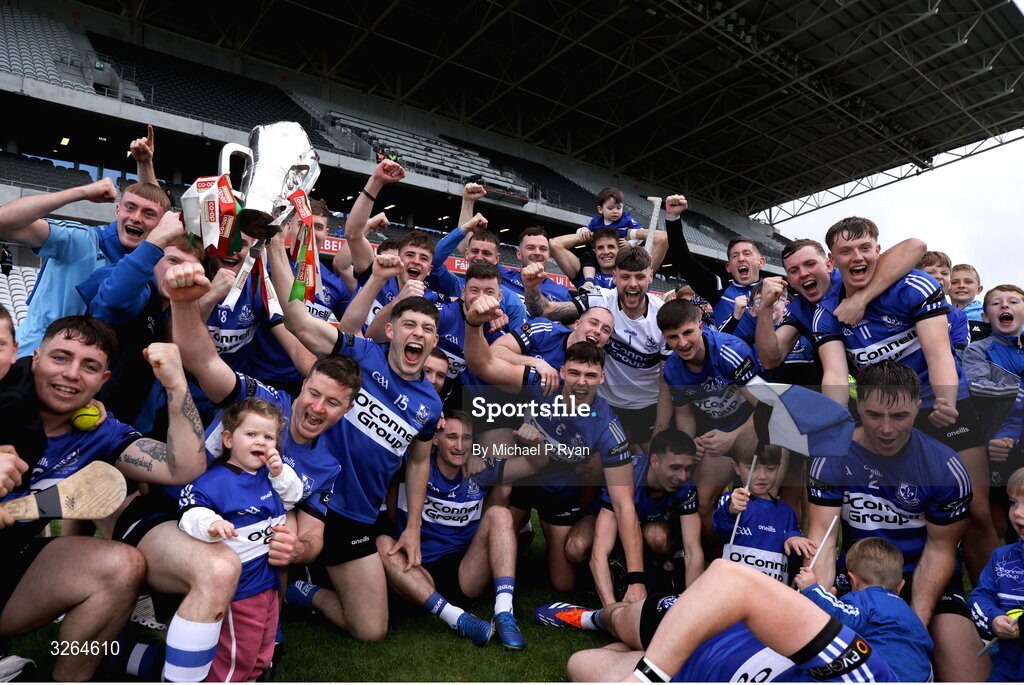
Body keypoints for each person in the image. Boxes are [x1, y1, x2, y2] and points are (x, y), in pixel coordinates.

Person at [163, 258, 364, 645]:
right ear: (302, 386)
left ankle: (269, 624)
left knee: (285, 524)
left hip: (249, 542)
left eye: (333, 403)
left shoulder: (328, 463)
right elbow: (204, 360)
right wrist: (184, 304)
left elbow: (314, 538)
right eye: (315, 394)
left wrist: (296, 549)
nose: (318, 408)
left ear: (348, 410)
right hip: (184, 510)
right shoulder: (267, 403)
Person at [0, 317, 205, 681]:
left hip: (9, 572)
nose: (72, 373)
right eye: (60, 358)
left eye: (89, 366)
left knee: (123, 566)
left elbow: (183, 468)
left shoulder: (101, 433)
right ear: (34, 358)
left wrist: (176, 386)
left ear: (103, 380)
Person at [267, 243, 443, 643]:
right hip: (303, 494)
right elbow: (297, 319)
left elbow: (418, 464)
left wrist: (412, 526)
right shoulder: (361, 353)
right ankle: (271, 607)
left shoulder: (431, 404)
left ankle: (303, 590)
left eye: (428, 329)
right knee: (274, 558)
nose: (419, 334)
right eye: (410, 325)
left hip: (357, 516)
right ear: (392, 330)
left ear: (435, 341)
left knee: (372, 631)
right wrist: (276, 246)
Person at [812, 216, 996, 584]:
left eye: (865, 248)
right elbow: (834, 374)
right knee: (887, 501)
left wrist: (947, 401)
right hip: (886, 414)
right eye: (846, 251)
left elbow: (939, 353)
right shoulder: (826, 313)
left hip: (941, 403)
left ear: (879, 251)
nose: (857, 256)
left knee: (976, 510)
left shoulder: (914, 285)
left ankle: (992, 600)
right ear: (832, 261)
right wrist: (830, 428)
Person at [806, 359, 986, 681]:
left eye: (899, 415)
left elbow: (940, 549)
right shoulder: (829, 457)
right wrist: (819, 606)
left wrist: (913, 622)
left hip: (923, 579)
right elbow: (824, 537)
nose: (886, 428)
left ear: (917, 408)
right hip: (859, 580)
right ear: (857, 404)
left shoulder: (945, 469)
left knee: (967, 676)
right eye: (874, 414)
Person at [463, 296, 642, 601]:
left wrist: (637, 579)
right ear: (562, 371)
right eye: (574, 374)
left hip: (559, 489)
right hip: (525, 471)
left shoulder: (607, 425)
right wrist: (473, 324)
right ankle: (473, 545)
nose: (580, 383)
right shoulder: (542, 381)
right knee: (498, 472)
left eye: (589, 376)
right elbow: (483, 362)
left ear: (602, 377)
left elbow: (624, 505)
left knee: (562, 584)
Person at [556, 559, 896, 682]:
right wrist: (647, 678)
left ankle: (635, 654)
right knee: (620, 618)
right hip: (710, 622)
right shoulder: (864, 677)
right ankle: (592, 618)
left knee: (580, 663)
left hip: (690, 675)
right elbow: (733, 580)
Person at [378, 409, 543, 649]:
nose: (460, 446)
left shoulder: (479, 469)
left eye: (466, 438)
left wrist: (536, 444)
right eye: (452, 437)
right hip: (418, 569)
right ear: (435, 439)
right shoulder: (412, 466)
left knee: (500, 514)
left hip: (465, 572)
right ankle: (458, 619)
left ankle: (504, 613)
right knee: (382, 543)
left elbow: (534, 464)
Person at [177, 399, 303, 682]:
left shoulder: (270, 477)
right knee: (236, 655)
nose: (261, 441)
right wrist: (211, 523)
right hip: (241, 588)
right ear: (228, 439)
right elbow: (190, 510)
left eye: (268, 437)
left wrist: (279, 471)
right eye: (252, 434)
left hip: (270, 583)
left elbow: (294, 496)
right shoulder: (215, 480)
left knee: (263, 649)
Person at [525, 246, 669, 451]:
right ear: (614, 277)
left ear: (651, 277)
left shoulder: (662, 317)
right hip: (604, 402)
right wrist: (531, 286)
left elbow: (667, 379)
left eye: (640, 277)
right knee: (591, 466)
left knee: (655, 465)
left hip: (646, 405)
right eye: (626, 277)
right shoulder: (600, 300)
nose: (633, 284)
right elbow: (546, 311)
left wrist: (660, 430)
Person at [655, 298, 759, 544]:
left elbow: (767, 407)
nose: (682, 343)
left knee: (762, 502)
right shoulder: (671, 370)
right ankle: (718, 558)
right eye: (672, 337)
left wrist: (733, 437)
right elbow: (684, 415)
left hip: (758, 428)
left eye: (688, 332)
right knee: (702, 504)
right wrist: (691, 447)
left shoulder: (730, 350)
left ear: (700, 326)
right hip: (720, 430)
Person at [589, 429, 704, 607]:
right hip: (611, 526)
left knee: (657, 536)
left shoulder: (686, 485)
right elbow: (599, 551)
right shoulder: (626, 475)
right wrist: (610, 609)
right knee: (576, 547)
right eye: (675, 467)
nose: (682, 476)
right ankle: (601, 579)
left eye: (688, 468)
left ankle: (661, 573)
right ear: (655, 461)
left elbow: (693, 549)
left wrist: (691, 606)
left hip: (652, 534)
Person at [794, 537, 934, 683]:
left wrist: (813, 589)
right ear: (900, 586)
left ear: (853, 580)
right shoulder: (909, 613)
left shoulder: (863, 598)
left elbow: (844, 618)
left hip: (883, 675)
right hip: (921, 676)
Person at [712, 429, 815, 584]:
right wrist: (730, 510)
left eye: (770, 469)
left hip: (772, 593)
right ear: (737, 467)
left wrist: (794, 540)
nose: (762, 475)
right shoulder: (734, 501)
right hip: (734, 587)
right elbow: (720, 527)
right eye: (752, 468)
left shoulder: (786, 512)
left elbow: (793, 560)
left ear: (779, 468)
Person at [659, 195, 766, 330]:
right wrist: (673, 218)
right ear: (728, 267)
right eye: (735, 255)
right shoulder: (719, 289)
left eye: (747, 253)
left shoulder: (777, 291)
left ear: (761, 262)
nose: (741, 258)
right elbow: (683, 260)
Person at [969, 466, 1024, 682]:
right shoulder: (1002, 558)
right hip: (1008, 662)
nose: (1018, 512)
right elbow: (979, 597)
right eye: (1013, 502)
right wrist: (993, 620)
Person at [917, 250, 970, 356]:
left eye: (945, 273)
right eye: (931, 273)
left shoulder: (958, 315)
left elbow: (961, 353)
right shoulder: (903, 307)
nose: (939, 276)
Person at [951, 263, 988, 340]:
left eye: (968, 282)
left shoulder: (989, 315)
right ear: (947, 287)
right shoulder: (941, 315)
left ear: (979, 289)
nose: (961, 285)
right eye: (954, 282)